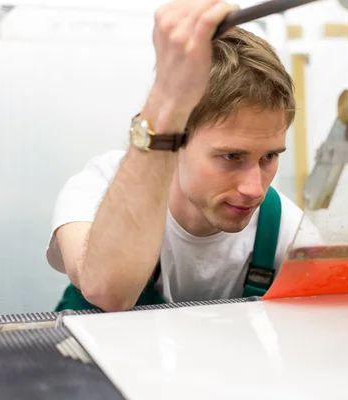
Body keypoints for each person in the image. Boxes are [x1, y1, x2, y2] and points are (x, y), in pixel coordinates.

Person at [45, 0, 323, 312]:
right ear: (178, 141)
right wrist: (167, 98)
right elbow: (106, 290)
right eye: (232, 156)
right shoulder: (99, 187)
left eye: (269, 156)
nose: (254, 189)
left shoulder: (285, 227)